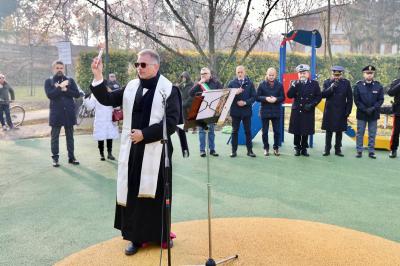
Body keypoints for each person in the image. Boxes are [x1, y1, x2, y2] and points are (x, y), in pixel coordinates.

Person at [90, 49, 188, 256]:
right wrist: (98, 76)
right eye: (137, 64)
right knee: (134, 191)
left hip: (158, 150)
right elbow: (107, 99)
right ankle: (136, 237)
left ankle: (161, 234)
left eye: (143, 65)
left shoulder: (169, 89)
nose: (139, 68)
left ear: (155, 66)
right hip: (133, 150)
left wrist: (145, 134)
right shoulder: (131, 87)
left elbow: (171, 123)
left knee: (159, 193)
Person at [44, 60, 80, 167]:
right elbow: (50, 95)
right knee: (54, 137)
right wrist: (60, 87)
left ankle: (71, 158)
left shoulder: (70, 80)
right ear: (53, 69)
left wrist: (65, 89)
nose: (59, 70)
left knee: (70, 137)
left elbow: (77, 94)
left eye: (61, 68)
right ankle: (55, 159)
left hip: (69, 113)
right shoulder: (49, 81)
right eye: (57, 68)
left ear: (63, 68)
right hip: (56, 114)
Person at [287, 64, 322, 156]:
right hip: (297, 110)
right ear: (298, 74)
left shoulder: (314, 84)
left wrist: (312, 105)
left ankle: (304, 148)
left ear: (308, 74)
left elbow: (318, 96)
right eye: (300, 73)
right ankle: (297, 148)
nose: (302, 75)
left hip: (308, 110)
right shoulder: (294, 83)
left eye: (304, 73)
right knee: (297, 130)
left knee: (305, 130)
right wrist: (293, 86)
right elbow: (289, 95)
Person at [190, 67, 223, 157]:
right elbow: (191, 93)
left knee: (211, 131)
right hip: (201, 110)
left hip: (212, 110)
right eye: (202, 74)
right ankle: (202, 150)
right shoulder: (199, 84)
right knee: (202, 131)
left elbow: (222, 93)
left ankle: (212, 149)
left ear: (210, 74)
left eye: (205, 74)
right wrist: (199, 83)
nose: (203, 75)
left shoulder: (216, 83)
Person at [321, 66, 353, 156]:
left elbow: (350, 98)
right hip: (330, 110)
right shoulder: (327, 82)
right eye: (335, 75)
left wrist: (348, 111)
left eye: (338, 75)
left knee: (339, 131)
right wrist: (331, 88)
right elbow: (323, 95)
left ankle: (338, 149)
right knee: (329, 131)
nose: (336, 77)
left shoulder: (346, 83)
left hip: (341, 110)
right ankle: (327, 149)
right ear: (332, 74)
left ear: (341, 74)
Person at [353, 65, 384, 159]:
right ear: (364, 74)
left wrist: (373, 108)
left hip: (373, 113)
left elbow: (381, 99)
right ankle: (359, 151)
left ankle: (371, 151)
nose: (369, 75)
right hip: (362, 113)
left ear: (373, 74)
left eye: (371, 73)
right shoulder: (358, 86)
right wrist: (365, 109)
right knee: (360, 133)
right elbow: (357, 100)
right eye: (367, 73)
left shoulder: (378, 86)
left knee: (372, 133)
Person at [227, 66, 256, 157]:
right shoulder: (231, 83)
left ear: (244, 72)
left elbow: (254, 97)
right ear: (236, 73)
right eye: (238, 72)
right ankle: (233, 151)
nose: (240, 74)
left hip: (246, 111)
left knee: (248, 131)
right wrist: (235, 93)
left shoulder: (250, 83)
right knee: (235, 131)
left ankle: (250, 151)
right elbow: (227, 97)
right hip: (235, 112)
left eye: (241, 72)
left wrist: (245, 102)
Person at [256, 67, 285, 156]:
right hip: (264, 111)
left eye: (273, 75)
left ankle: (276, 148)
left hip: (276, 111)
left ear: (275, 75)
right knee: (264, 132)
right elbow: (257, 97)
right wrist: (266, 98)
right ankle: (266, 148)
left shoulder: (280, 85)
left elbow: (283, 97)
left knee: (277, 131)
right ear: (267, 75)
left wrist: (276, 99)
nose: (271, 77)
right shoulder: (261, 84)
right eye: (269, 75)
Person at [83, 90, 119, 161]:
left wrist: (115, 103)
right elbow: (90, 107)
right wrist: (86, 99)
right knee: (100, 137)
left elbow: (117, 107)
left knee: (109, 137)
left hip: (109, 119)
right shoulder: (95, 94)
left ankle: (109, 154)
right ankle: (101, 154)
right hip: (100, 119)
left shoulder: (110, 94)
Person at [388, 70, 400, 158]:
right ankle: (393, 150)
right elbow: (390, 93)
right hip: (398, 112)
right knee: (396, 132)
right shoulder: (396, 82)